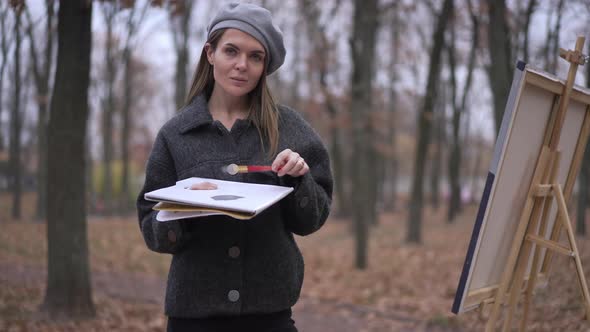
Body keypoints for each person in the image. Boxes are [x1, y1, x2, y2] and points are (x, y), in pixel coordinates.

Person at [136, 3, 333, 332]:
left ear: (264, 66)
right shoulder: (175, 135)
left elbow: (313, 219)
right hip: (193, 317)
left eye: (256, 56)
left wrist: (301, 180)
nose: (242, 65)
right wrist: (181, 209)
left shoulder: (290, 128)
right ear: (210, 53)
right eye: (231, 51)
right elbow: (153, 233)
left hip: (271, 315)